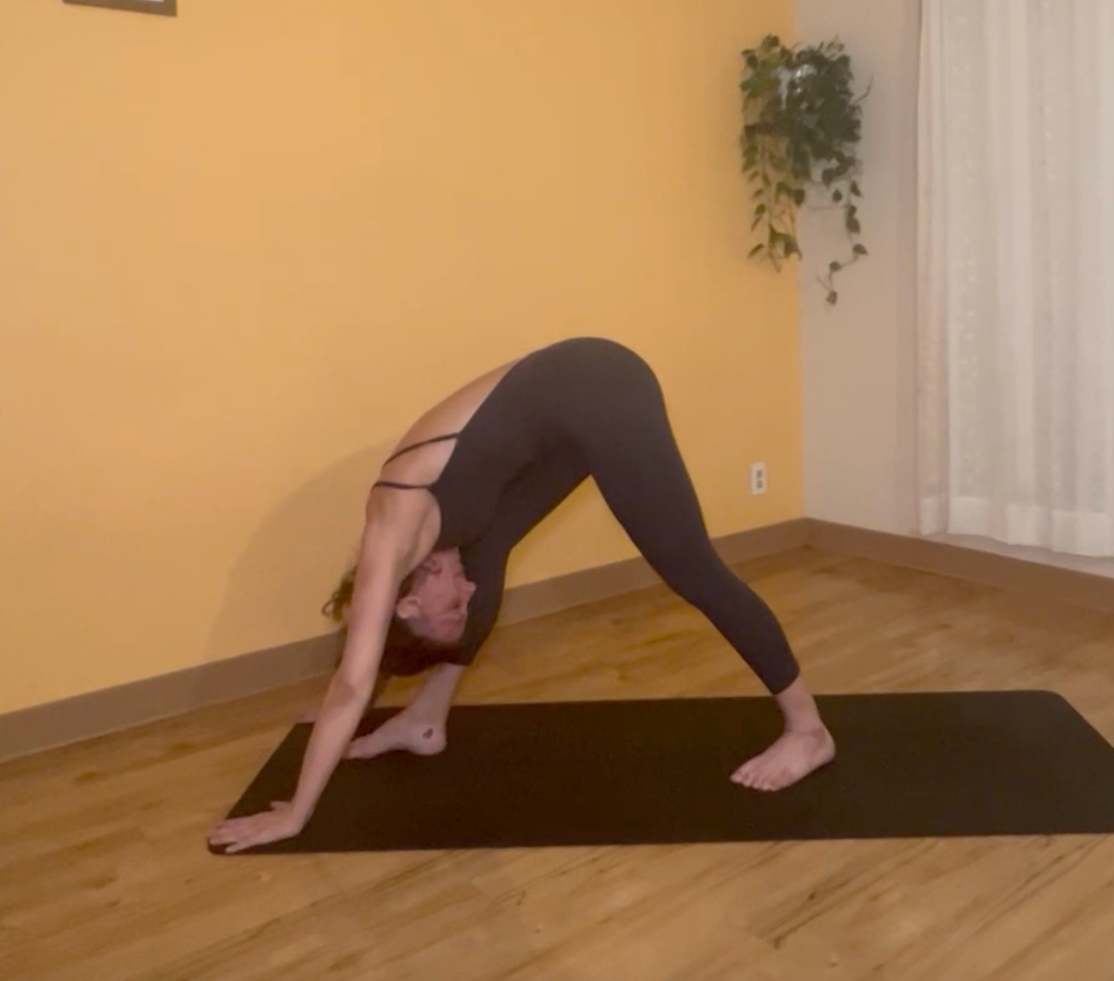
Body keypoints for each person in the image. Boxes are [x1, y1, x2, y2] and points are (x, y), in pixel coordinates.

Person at [208, 337, 834, 853]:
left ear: (408, 603)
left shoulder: (393, 532)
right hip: (569, 412)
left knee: (691, 567)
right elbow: (371, 659)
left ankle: (807, 730)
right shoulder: (430, 554)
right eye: (465, 608)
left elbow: (352, 680)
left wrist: (295, 813)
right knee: (490, 546)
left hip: (601, 384)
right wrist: (355, 728)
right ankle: (426, 719)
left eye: (454, 605)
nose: (470, 595)